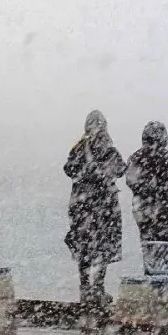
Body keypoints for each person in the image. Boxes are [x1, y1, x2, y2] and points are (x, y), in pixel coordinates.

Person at [64, 110, 126, 307]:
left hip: (81, 206)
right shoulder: (110, 150)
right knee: (102, 247)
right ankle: (98, 288)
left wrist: (85, 175)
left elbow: (68, 169)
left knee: (83, 246)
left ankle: (85, 288)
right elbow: (121, 169)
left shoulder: (78, 148)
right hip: (104, 207)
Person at [125, 121, 168, 243]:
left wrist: (147, 190)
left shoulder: (136, 158)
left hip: (144, 212)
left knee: (150, 247)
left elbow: (130, 181)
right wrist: (166, 187)